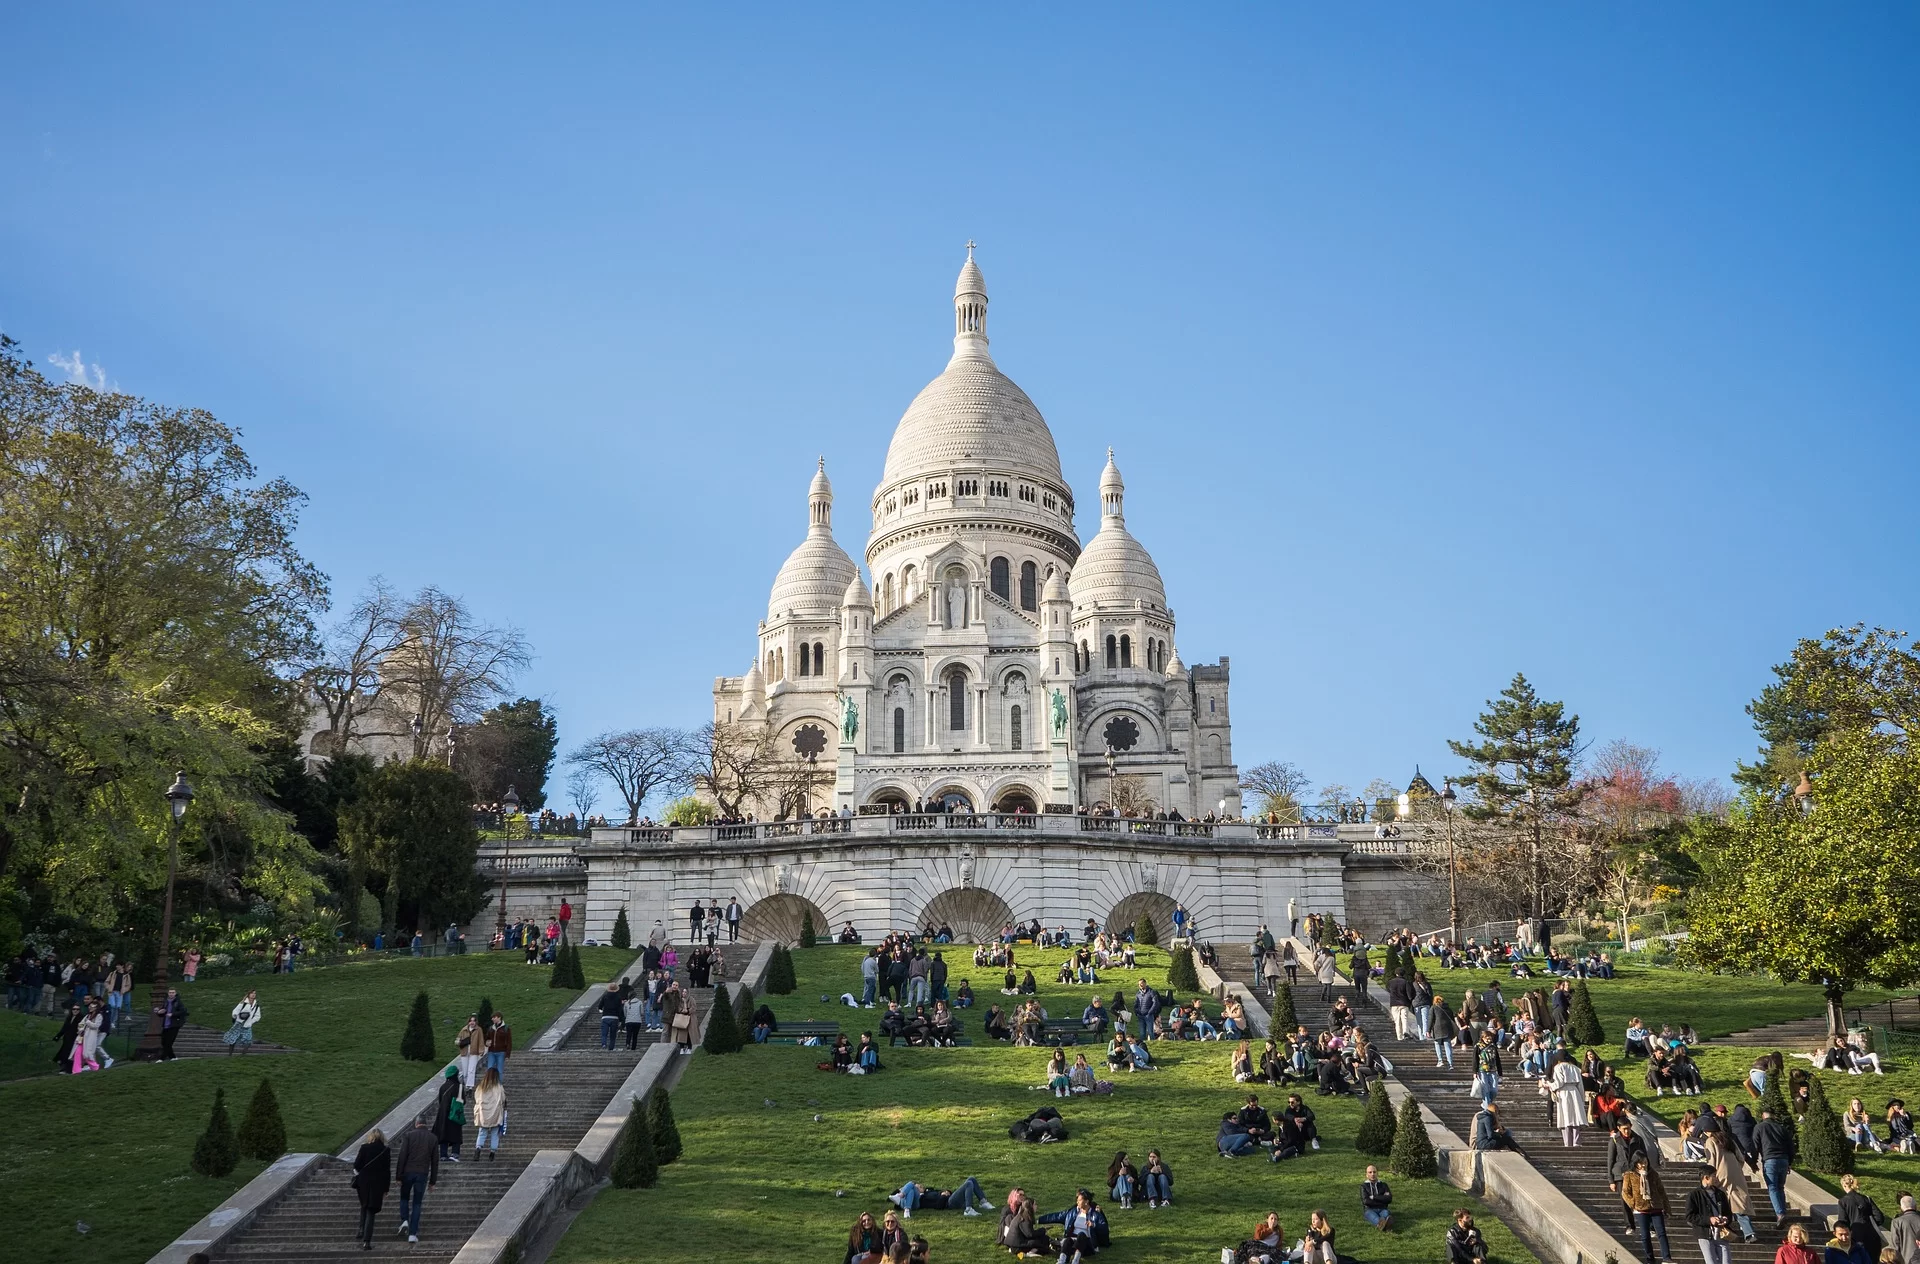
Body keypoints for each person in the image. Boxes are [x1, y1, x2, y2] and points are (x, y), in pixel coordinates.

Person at [393, 1112, 439, 1244]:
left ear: (416, 1123)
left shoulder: (409, 1135)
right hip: (422, 1173)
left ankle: (404, 1220)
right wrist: (432, 1181)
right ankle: (413, 1234)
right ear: (426, 1124)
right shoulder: (433, 1138)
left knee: (404, 1198)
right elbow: (435, 1161)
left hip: (407, 1172)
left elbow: (402, 1156)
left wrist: (398, 1176)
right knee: (417, 1203)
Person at [1622, 1154, 1672, 1264]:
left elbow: (1661, 1191)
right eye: (1641, 1163)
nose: (1643, 1165)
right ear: (1636, 1164)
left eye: (1645, 1162)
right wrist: (1634, 1203)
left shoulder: (1653, 1174)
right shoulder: (1629, 1175)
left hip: (1656, 1206)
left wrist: (1666, 1207)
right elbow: (1625, 1192)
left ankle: (1667, 1258)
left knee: (1661, 1233)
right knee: (1645, 1235)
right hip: (1641, 1209)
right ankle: (1650, 1259)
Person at [1037, 1188, 1109, 1258]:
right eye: (1077, 1200)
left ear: (1086, 1201)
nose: (1077, 1202)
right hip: (1072, 1240)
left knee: (1081, 1235)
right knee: (1068, 1240)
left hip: (1087, 1243)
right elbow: (1057, 1216)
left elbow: (1104, 1229)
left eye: (1079, 1200)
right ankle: (1061, 1260)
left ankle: (1075, 1259)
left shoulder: (1095, 1215)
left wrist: (1094, 1225)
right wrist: (1039, 1220)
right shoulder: (1072, 1212)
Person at [352, 1127, 392, 1249]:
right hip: (378, 1183)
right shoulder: (385, 1150)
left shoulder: (364, 1148)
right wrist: (386, 1188)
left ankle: (361, 1229)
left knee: (364, 1204)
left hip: (363, 1181)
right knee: (371, 1209)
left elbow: (356, 1165)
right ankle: (367, 1241)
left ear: (371, 1137)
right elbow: (387, 1171)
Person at [1686, 1169, 1736, 1264]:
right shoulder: (1694, 1194)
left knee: (1726, 1261)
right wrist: (1709, 1220)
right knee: (1711, 1261)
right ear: (1706, 1177)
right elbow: (1690, 1216)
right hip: (1705, 1234)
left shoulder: (1720, 1194)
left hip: (1722, 1233)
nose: (1716, 1178)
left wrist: (1726, 1219)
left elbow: (1728, 1213)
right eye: (1714, 1176)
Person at [1756, 1106, 1797, 1220]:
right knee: (1780, 1187)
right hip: (1783, 1159)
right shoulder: (1782, 1128)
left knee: (1772, 1187)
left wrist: (1753, 1162)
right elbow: (1791, 1147)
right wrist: (1789, 1162)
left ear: (1763, 1116)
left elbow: (1755, 1145)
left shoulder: (1759, 1127)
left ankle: (1780, 1214)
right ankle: (1783, 1211)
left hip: (1770, 1159)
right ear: (1774, 1116)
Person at [1839, 1175, 1888, 1260]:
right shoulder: (1866, 1199)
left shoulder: (1843, 1201)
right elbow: (1880, 1218)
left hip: (1855, 1238)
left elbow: (1842, 1222)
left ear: (1844, 1185)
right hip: (1873, 1238)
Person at [890, 1176, 991, 1217]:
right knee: (968, 1183)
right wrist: (943, 1196)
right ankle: (968, 1210)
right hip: (948, 1203)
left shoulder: (929, 1191)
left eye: (921, 1185)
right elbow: (938, 1206)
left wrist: (947, 1192)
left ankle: (983, 1202)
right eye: (919, 1187)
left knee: (971, 1179)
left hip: (951, 1198)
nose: (921, 1186)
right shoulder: (923, 1199)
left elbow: (942, 1192)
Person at [1551, 1049, 1589, 1146]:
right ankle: (1577, 1141)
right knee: (1575, 1116)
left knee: (1566, 1116)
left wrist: (1550, 1086)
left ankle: (1568, 1142)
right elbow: (1580, 1085)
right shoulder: (1575, 1068)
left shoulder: (1558, 1067)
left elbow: (1559, 1082)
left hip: (1564, 1092)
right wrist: (1582, 1098)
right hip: (1575, 1091)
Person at [998, 1190, 1052, 1258]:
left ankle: (1031, 1251)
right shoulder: (1024, 1218)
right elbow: (1029, 1234)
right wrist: (1043, 1230)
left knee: (1044, 1239)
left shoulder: (1022, 1215)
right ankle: (1030, 1252)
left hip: (1015, 1243)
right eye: (1035, 1205)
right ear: (1030, 1206)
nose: (1036, 1206)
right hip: (1017, 1246)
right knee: (1043, 1242)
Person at [473, 1066, 506, 1160]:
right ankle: (492, 1152)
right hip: (495, 1113)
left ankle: (478, 1148)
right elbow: (503, 1099)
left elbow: (476, 1098)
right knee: (495, 1133)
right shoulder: (499, 1087)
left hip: (483, 1113)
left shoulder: (481, 1087)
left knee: (482, 1132)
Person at [433, 1065, 464, 1161]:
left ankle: (443, 1155)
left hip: (443, 1114)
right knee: (456, 1133)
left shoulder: (443, 1087)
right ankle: (455, 1154)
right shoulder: (459, 1086)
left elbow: (440, 1100)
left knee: (444, 1134)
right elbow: (463, 1101)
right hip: (455, 1114)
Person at [153, 987, 189, 1061]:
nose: (171, 994)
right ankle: (173, 1057)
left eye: (173, 992)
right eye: (170, 992)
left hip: (174, 1025)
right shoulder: (166, 1002)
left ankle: (161, 1059)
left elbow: (183, 1012)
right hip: (166, 1025)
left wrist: (172, 1014)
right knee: (164, 1042)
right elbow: (163, 1013)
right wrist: (159, 1012)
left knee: (168, 1043)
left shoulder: (178, 1002)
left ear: (175, 993)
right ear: (168, 993)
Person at [224, 990, 261, 1054]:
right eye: (252, 993)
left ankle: (243, 1055)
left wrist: (251, 1021)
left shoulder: (256, 1006)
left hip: (247, 1026)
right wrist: (236, 1017)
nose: (253, 994)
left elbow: (258, 1016)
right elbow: (235, 1011)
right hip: (239, 1024)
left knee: (248, 1040)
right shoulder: (243, 1003)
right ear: (248, 994)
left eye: (254, 993)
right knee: (233, 1039)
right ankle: (230, 1054)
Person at [1888, 1195, 1920, 1264]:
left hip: (1905, 1259)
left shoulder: (1897, 1222)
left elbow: (1895, 1245)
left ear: (1901, 1207)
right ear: (1915, 1206)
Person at [458, 1013, 488, 1085]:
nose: (472, 1022)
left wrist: (481, 1050)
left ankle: (470, 1086)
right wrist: (460, 1043)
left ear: (476, 1022)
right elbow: (458, 1039)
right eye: (471, 1021)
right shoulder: (464, 1029)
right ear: (468, 1022)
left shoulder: (479, 1029)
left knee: (471, 1070)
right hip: (464, 1052)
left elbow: (481, 1040)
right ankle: (466, 1084)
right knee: (465, 1071)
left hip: (474, 1052)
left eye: (474, 1021)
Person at [1361, 1164, 1393, 1230]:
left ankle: (1383, 1225)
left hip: (1383, 1209)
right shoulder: (1363, 1186)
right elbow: (1366, 1201)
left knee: (1386, 1213)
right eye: (1370, 1172)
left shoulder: (1383, 1185)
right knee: (1374, 1217)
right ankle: (1384, 1225)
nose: (1372, 1174)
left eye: (1374, 1172)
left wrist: (1374, 1197)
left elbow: (1389, 1199)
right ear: (1366, 1174)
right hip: (1369, 1209)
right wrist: (1382, 1199)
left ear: (1377, 1173)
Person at [488, 1013, 512, 1081]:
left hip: (501, 1052)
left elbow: (509, 1041)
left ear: (499, 1018)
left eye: (494, 1017)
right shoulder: (491, 1028)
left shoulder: (506, 1028)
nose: (492, 1019)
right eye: (492, 1017)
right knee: (489, 1069)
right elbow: (487, 1038)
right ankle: (489, 1084)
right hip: (491, 1051)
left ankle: (499, 1085)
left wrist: (508, 1053)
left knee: (499, 1070)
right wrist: (486, 1042)